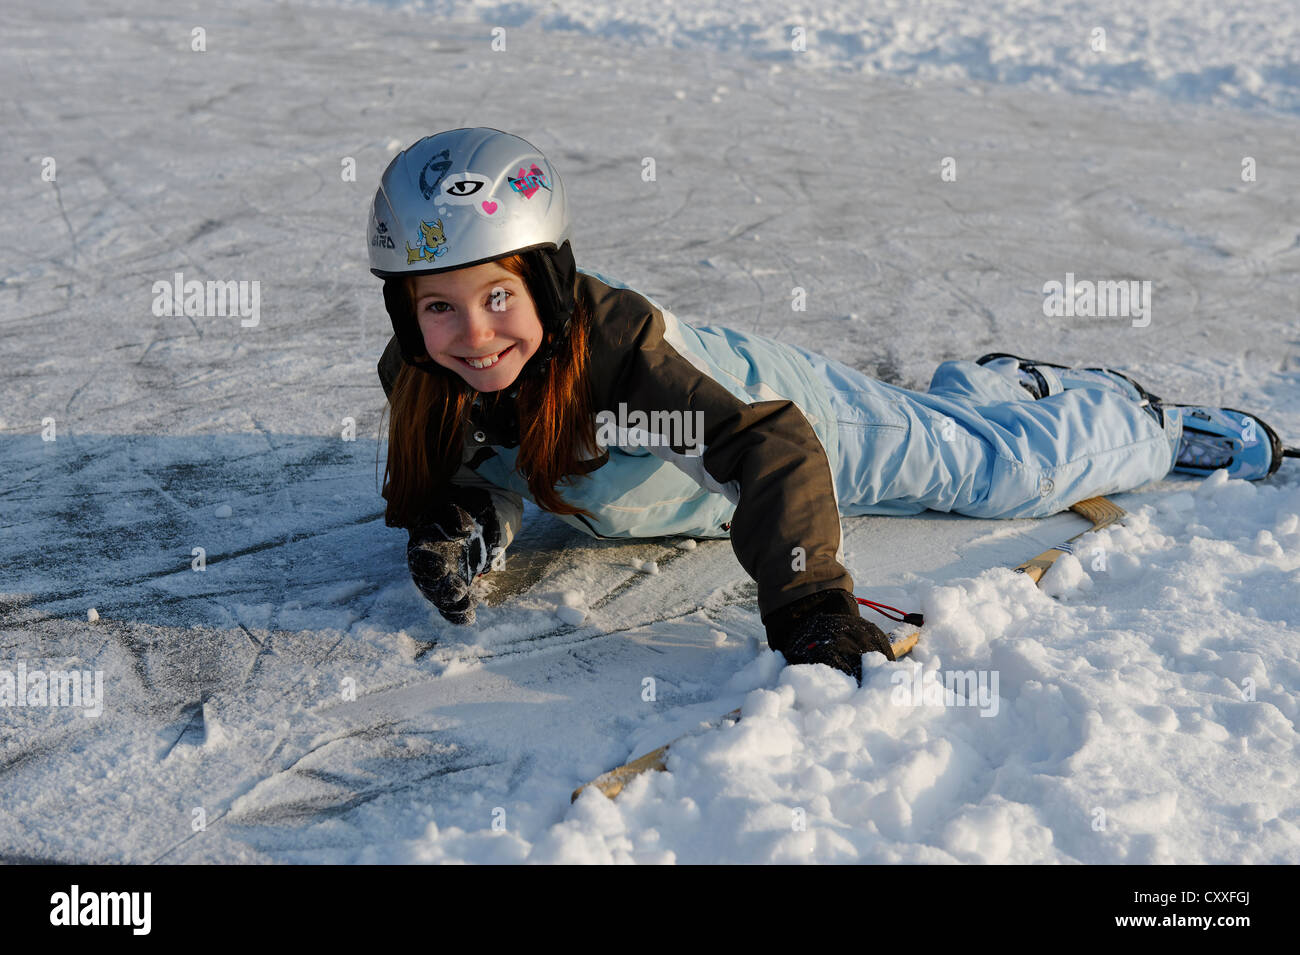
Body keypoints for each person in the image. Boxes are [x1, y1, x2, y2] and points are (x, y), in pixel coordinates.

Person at [368, 128, 1287, 683]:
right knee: (961, 435)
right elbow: (485, 459)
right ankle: (987, 384)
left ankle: (1142, 423)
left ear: (552, 283)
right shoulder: (427, 380)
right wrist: (466, 516)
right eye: (439, 307)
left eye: (498, 297)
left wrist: (808, 601)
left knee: (1002, 473)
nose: (473, 335)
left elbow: (770, 445)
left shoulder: (628, 361)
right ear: (407, 317)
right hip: (688, 487)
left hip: (804, 418)